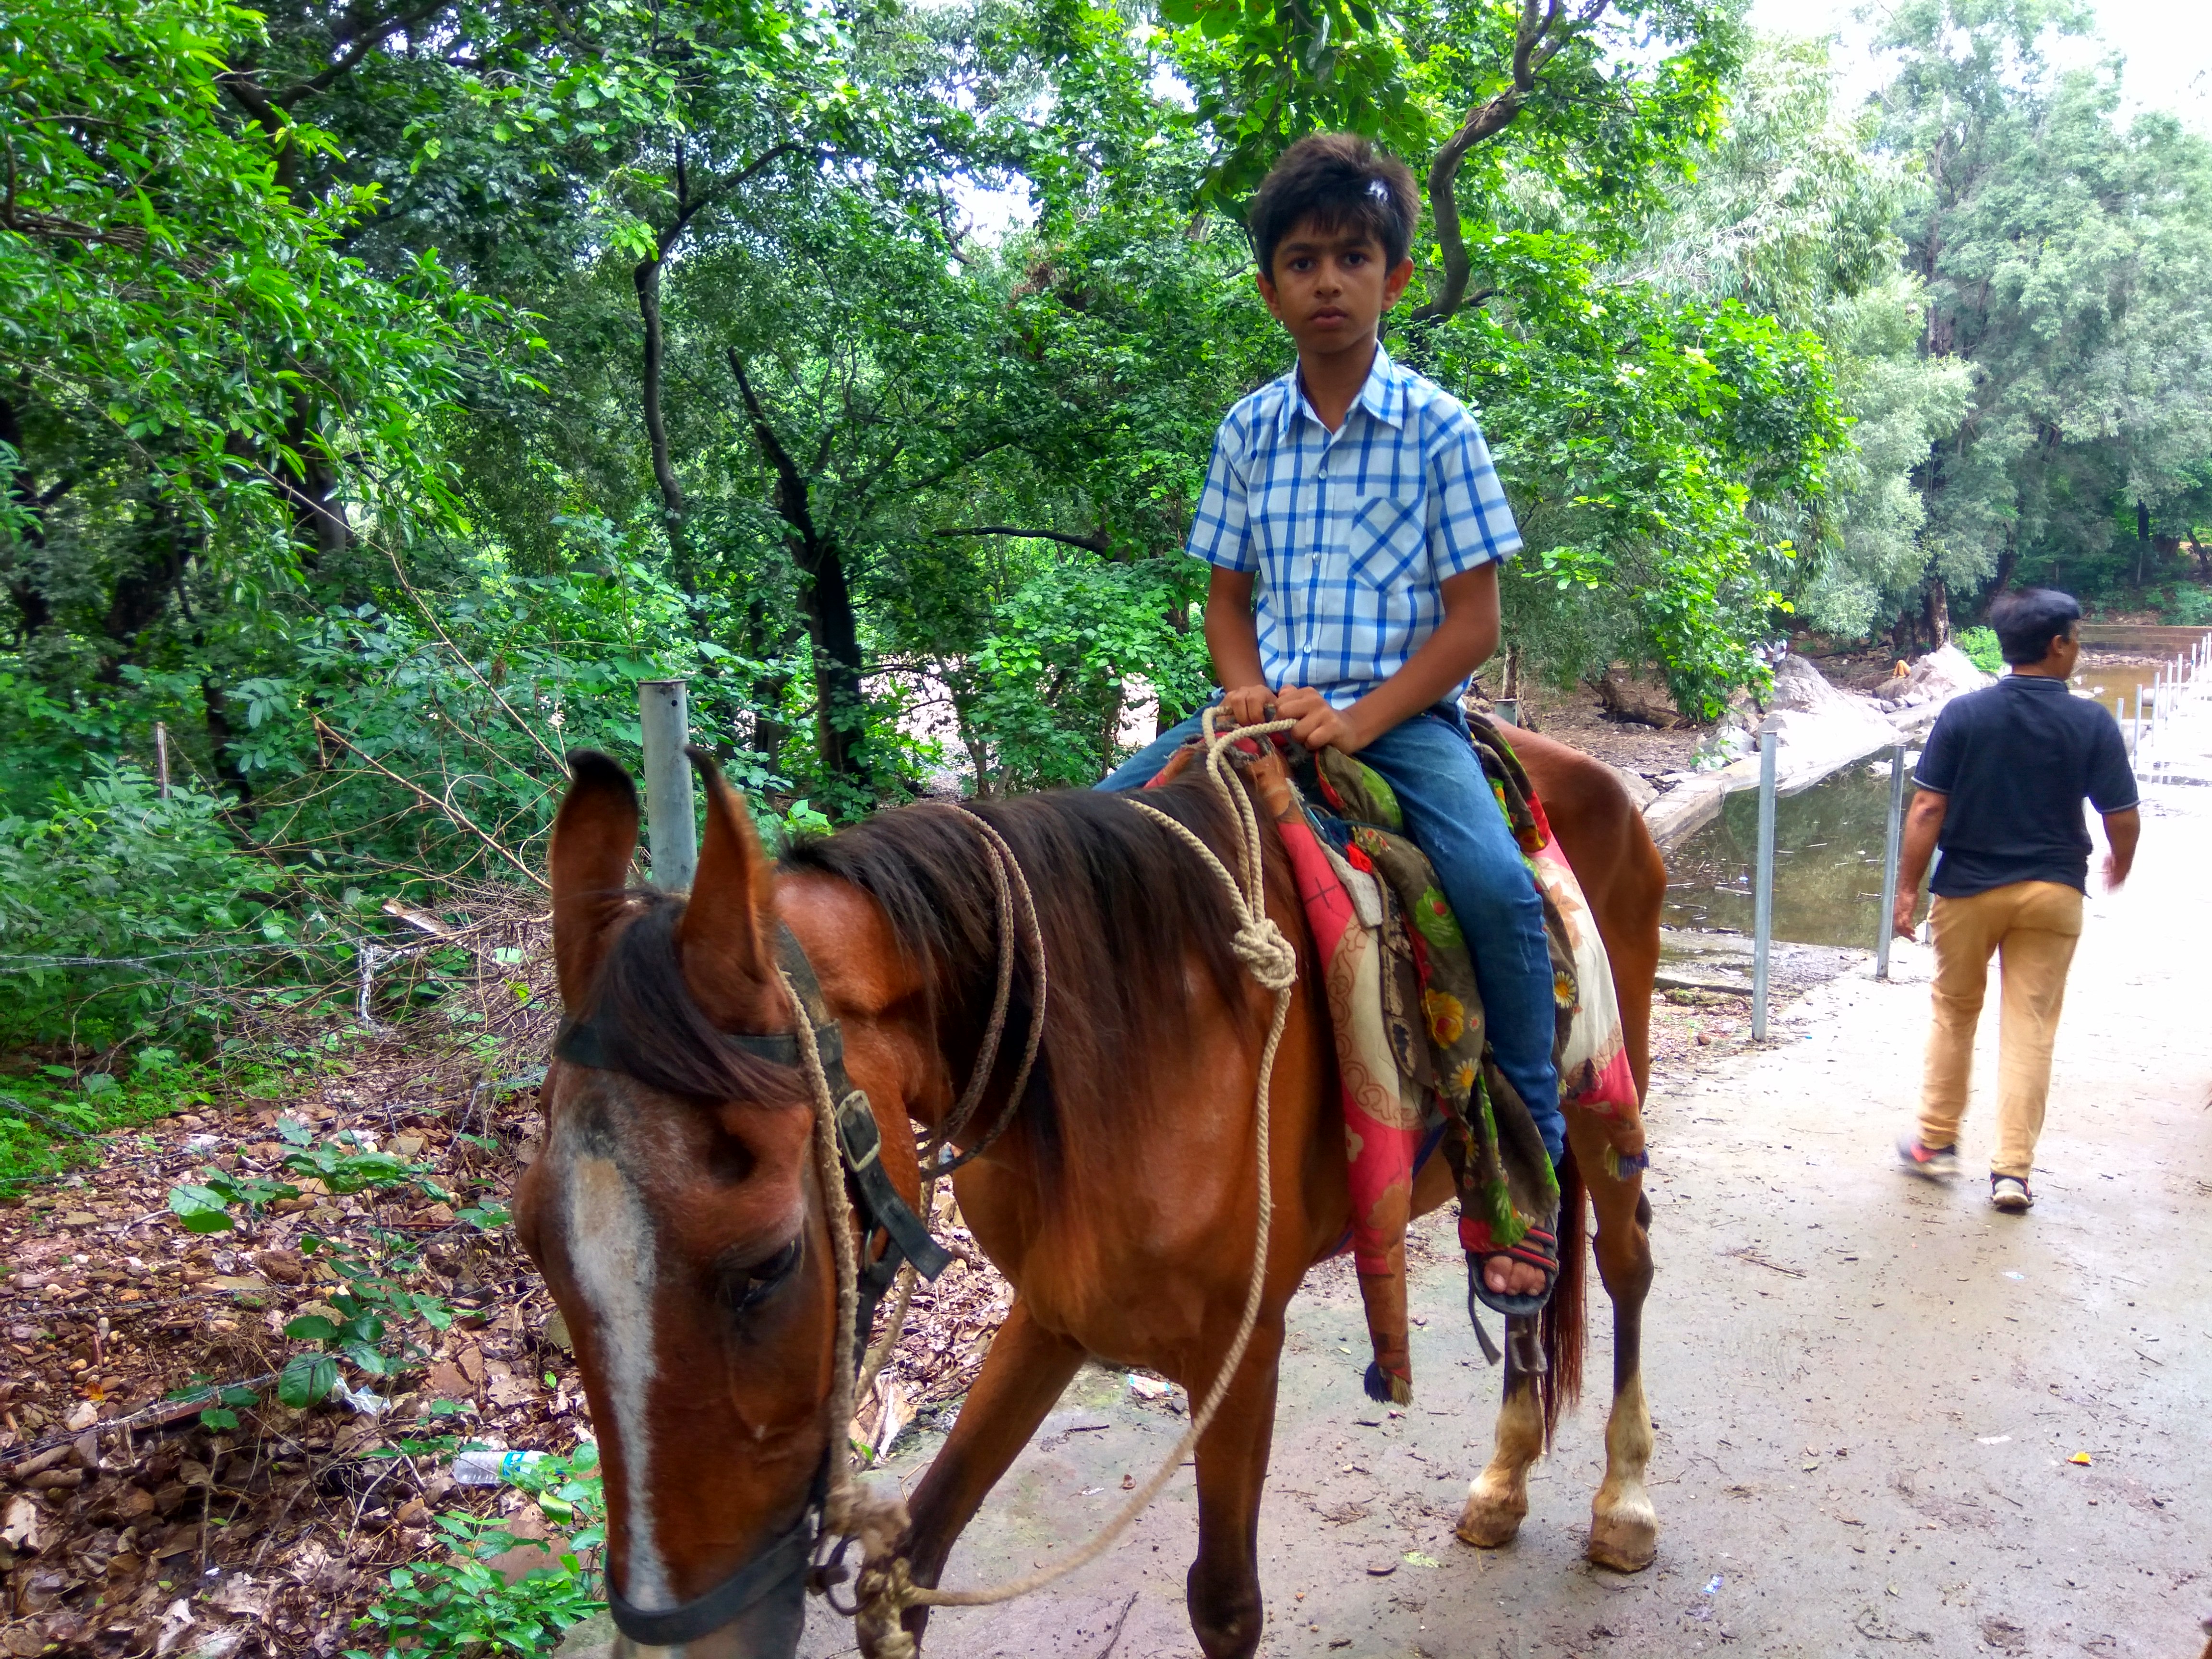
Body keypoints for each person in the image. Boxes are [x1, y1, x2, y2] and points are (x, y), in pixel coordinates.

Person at [1094, 134, 1561, 1303]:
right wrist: (1243, 685)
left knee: (1496, 891)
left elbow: (1473, 624)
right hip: (1261, 717)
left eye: (1353, 258)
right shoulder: (1248, 431)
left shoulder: (1441, 429)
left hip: (1401, 721)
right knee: (1093, 834)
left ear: (1394, 277)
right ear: (1270, 290)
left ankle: (1526, 1164)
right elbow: (1227, 599)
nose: (1328, 283)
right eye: (1302, 263)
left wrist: (1358, 720)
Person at [1892, 589, 2140, 1212]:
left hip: (1967, 891)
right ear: (2056, 645)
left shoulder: (1964, 714)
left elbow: (1927, 807)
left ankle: (1935, 1143)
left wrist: (1906, 889)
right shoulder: (2091, 722)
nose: (2078, 648)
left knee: (1954, 1013)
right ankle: (2012, 1174)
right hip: (2053, 891)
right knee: (2030, 1027)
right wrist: (2121, 860)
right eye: (2076, 638)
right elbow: (2122, 814)